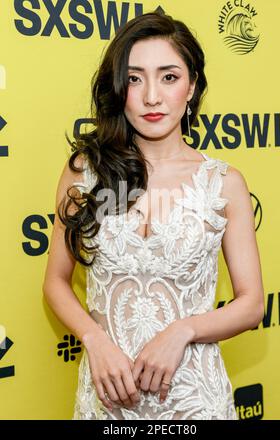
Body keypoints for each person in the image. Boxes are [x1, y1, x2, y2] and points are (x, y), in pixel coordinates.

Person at [42, 10, 265, 420]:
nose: (151, 97)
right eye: (134, 78)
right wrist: (94, 339)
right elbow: (56, 281)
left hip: (195, 400)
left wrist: (184, 331)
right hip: (106, 401)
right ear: (117, 87)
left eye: (169, 77)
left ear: (192, 86)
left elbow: (252, 304)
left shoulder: (224, 182)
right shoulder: (84, 171)